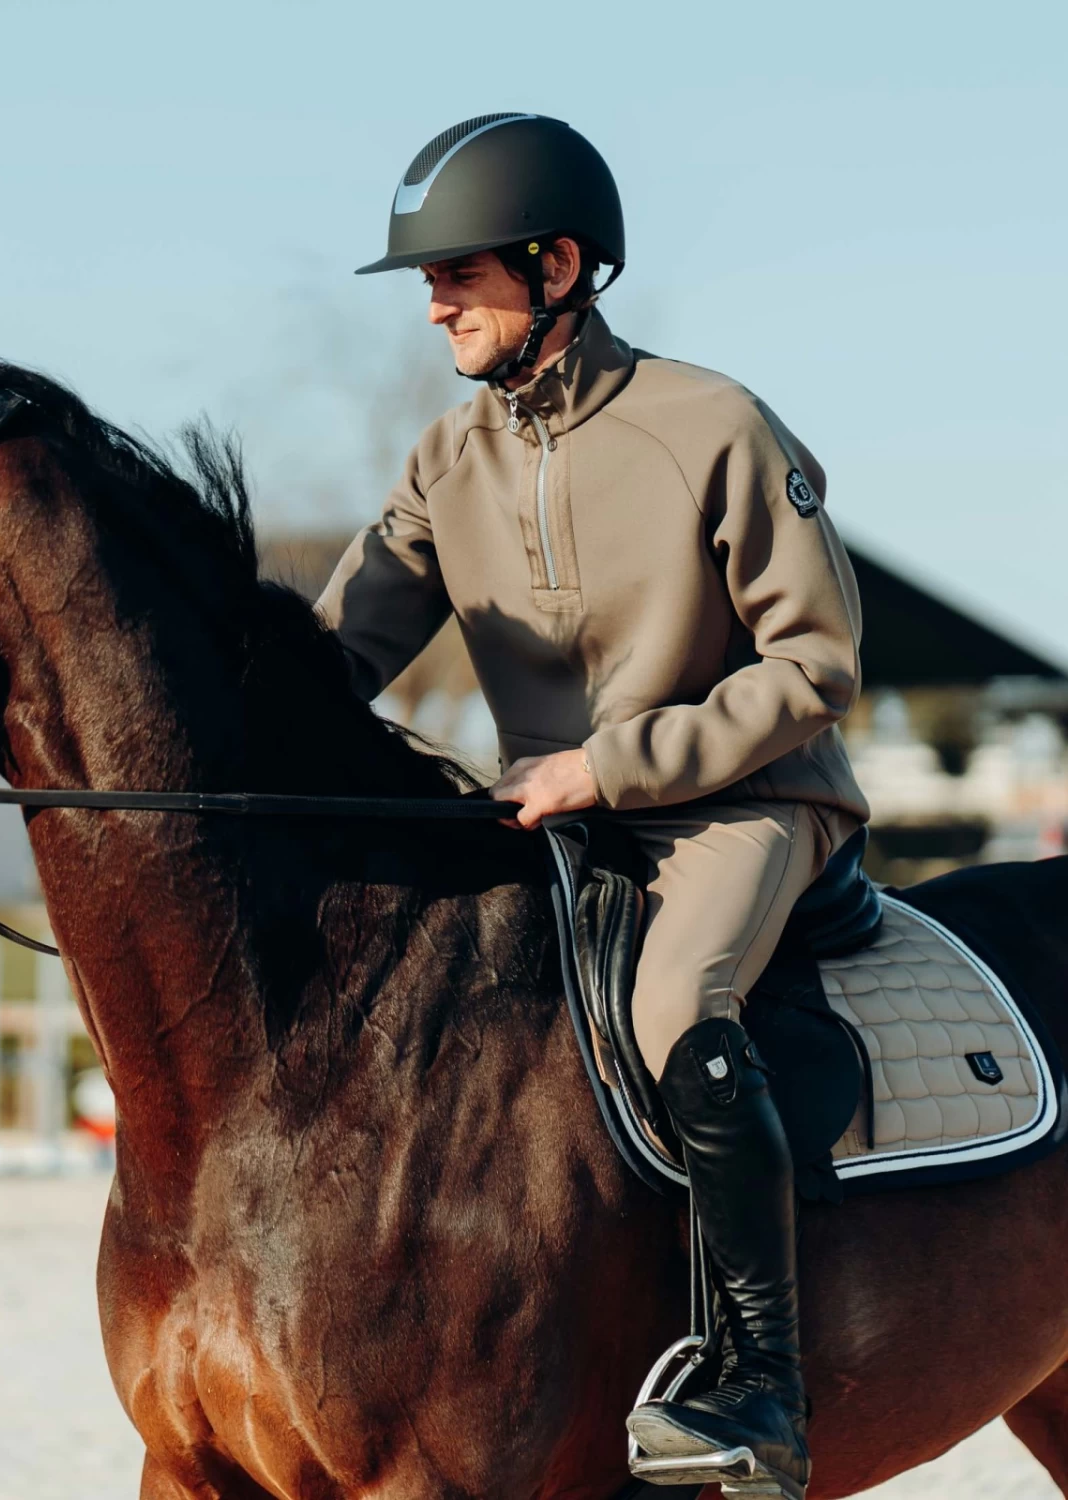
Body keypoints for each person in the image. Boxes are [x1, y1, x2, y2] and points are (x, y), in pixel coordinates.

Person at [318, 112, 871, 1500]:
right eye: (429, 280)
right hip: (555, 820)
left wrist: (606, 769)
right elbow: (334, 657)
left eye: (461, 273)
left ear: (559, 265)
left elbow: (820, 665)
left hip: (747, 806)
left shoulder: (715, 425)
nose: (436, 303)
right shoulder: (449, 460)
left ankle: (762, 1383)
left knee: (677, 1007)